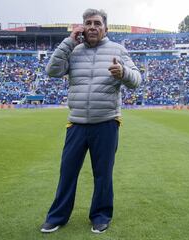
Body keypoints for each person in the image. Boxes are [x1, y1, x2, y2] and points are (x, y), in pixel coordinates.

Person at [40, 8, 141, 234]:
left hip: (106, 122)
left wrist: (123, 72)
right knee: (67, 173)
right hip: (76, 123)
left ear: (106, 27)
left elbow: (137, 80)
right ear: (82, 27)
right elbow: (52, 70)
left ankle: (100, 216)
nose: (93, 27)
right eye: (88, 23)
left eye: (97, 23)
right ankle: (57, 216)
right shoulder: (73, 51)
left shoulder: (118, 50)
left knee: (103, 174)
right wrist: (68, 42)